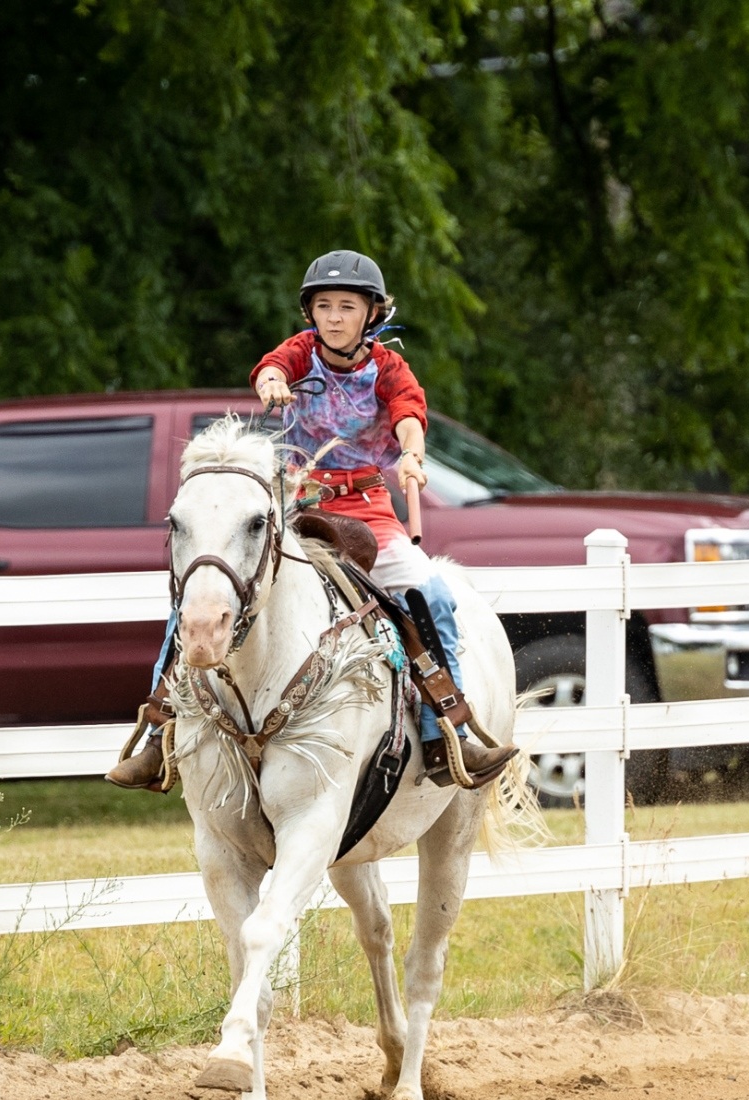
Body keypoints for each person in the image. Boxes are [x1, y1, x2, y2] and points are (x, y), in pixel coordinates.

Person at [107, 249, 517, 791]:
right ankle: (161, 731)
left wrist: (411, 455)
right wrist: (272, 384)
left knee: (431, 595)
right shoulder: (302, 352)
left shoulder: (388, 368)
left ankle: (446, 730)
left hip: (368, 510)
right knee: (200, 593)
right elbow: (272, 368)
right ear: (310, 312)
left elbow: (408, 414)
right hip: (296, 508)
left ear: (372, 313)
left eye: (347, 306)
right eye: (324, 306)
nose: (334, 317)